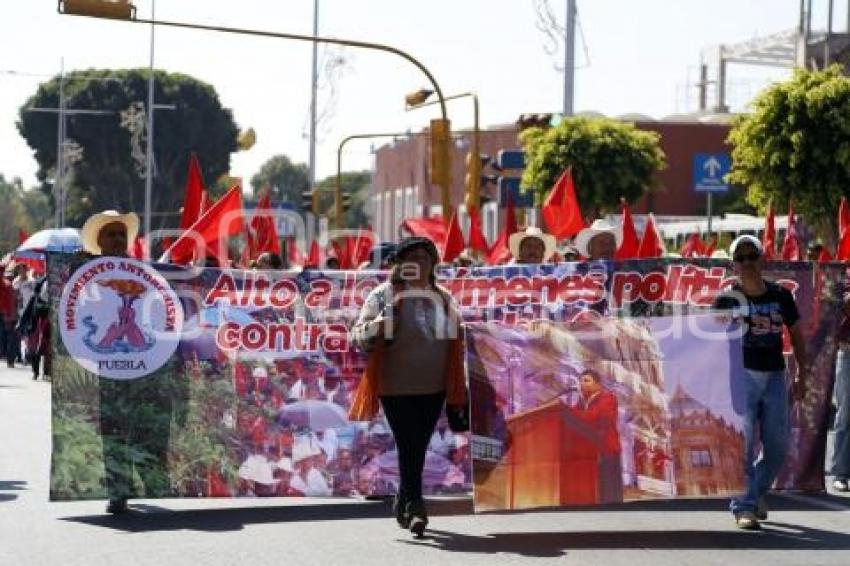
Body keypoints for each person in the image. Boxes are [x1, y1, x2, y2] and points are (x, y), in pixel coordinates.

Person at [349, 236, 467, 537]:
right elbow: (358, 338)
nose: (420, 263)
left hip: (435, 385)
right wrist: (379, 323)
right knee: (408, 444)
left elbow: (460, 335)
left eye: (426, 258)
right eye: (413, 257)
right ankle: (415, 505)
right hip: (395, 385)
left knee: (418, 445)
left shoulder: (442, 297)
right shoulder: (381, 295)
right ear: (400, 265)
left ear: (433, 265)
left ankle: (405, 498)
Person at [80, 210, 179, 515]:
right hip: (106, 368)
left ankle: (146, 478)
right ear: (99, 241)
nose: (117, 239)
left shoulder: (144, 273)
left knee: (142, 425)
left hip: (143, 365)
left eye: (121, 234)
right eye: (110, 234)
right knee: (111, 428)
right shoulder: (84, 275)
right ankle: (118, 490)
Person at [712, 235, 808, 530]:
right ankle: (744, 506)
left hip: (775, 376)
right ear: (733, 265)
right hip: (741, 378)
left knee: (778, 445)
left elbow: (797, 334)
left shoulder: (780, 295)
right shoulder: (726, 299)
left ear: (762, 259)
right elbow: (710, 342)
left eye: (752, 256)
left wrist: (803, 372)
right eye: (740, 258)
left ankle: (755, 493)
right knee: (744, 445)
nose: (747, 263)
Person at [568, 369, 623, 503]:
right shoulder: (580, 404)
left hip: (607, 453)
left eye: (586, 381)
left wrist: (571, 414)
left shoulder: (608, 398)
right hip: (587, 457)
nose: (582, 384)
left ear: (598, 384)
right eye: (580, 381)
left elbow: (595, 416)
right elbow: (570, 418)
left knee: (608, 496)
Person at [831, 290, 850, 493]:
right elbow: (844, 303)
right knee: (845, 415)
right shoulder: (845, 276)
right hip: (848, 352)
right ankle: (841, 474)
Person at [0, 265, 16, 368]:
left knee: (7, 338)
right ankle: (10, 360)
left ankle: (8, 358)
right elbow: (11, 301)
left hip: (4, 314)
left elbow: (11, 301)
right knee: (8, 337)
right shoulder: (8, 284)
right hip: (6, 314)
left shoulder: (7, 284)